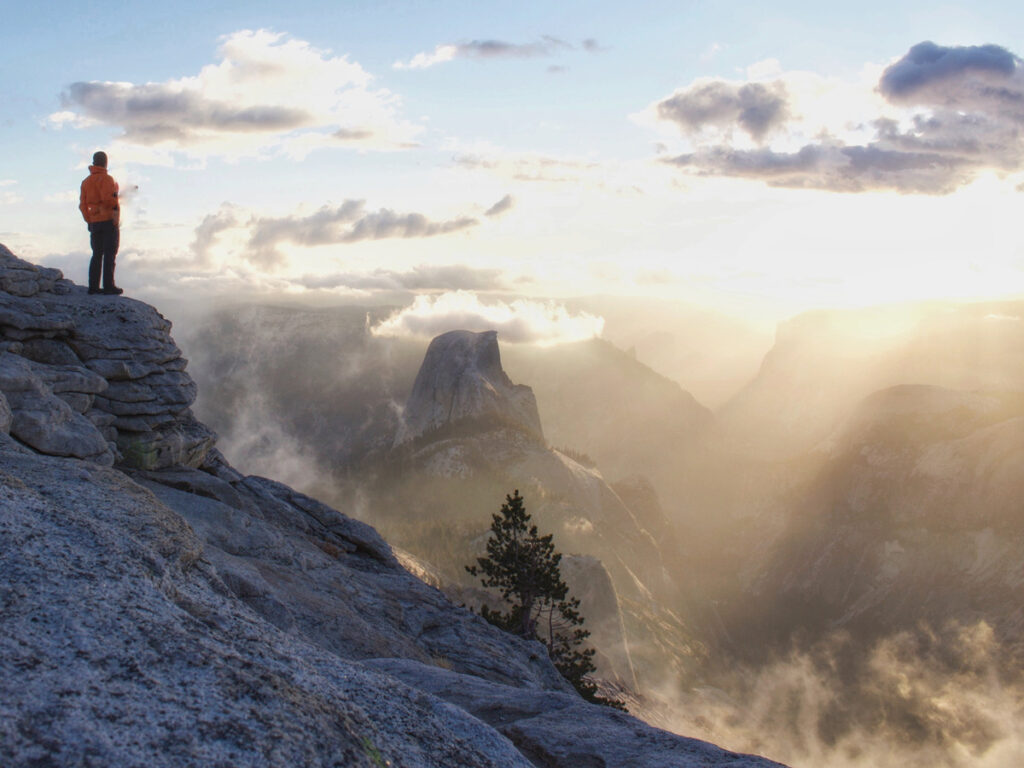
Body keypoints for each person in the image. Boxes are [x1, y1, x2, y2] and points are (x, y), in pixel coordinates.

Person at [79, 151, 123, 295]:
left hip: (94, 223)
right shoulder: (107, 179)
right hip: (109, 221)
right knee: (110, 254)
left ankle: (93, 287)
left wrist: (89, 219)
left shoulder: (86, 182)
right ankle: (109, 286)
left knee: (97, 254)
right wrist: (116, 194)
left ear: (94, 162)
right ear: (105, 162)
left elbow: (82, 205)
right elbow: (108, 200)